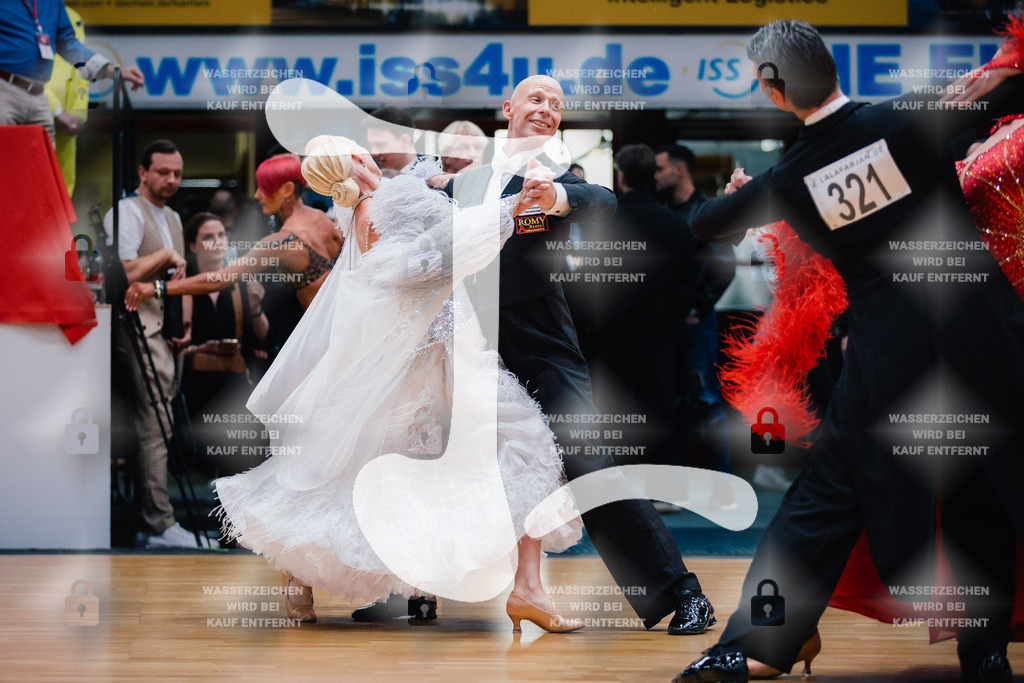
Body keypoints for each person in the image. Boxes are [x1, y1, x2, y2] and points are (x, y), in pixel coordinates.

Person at [674, 19, 1024, 683]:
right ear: (833, 66)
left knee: (828, 496)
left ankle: (751, 643)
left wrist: (742, 201)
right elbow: (1006, 93)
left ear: (774, 91)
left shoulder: (790, 177)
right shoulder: (909, 118)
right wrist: (996, 74)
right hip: (984, 335)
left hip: (889, 356)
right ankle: (985, 656)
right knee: (982, 489)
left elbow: (701, 225)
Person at [213, 135, 585, 632]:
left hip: (444, 352)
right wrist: (506, 213)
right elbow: (422, 265)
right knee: (483, 450)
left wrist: (492, 208)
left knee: (476, 451)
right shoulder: (378, 206)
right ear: (353, 161)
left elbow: (426, 259)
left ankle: (517, 588)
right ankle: (513, 588)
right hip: (427, 357)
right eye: (359, 149)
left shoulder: (375, 203)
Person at [444, 75, 717, 636]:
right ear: (508, 106)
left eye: (558, 105)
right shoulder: (463, 183)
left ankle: (683, 592)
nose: (548, 109)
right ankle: (411, 588)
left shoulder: (554, 178)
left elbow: (601, 202)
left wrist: (559, 197)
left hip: (542, 346)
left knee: (589, 463)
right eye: (537, 99)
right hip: (470, 346)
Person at [104, 139, 199, 548]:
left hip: (165, 327)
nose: (172, 180)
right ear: (143, 172)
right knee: (155, 424)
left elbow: (176, 281)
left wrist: (187, 321)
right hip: (135, 326)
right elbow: (124, 273)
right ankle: (158, 523)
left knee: (163, 421)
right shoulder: (127, 211)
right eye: (163, 172)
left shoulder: (175, 217)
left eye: (177, 173)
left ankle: (155, 521)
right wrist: (163, 254)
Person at [579, 144, 698, 469]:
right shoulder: (674, 224)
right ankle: (661, 486)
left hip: (609, 334)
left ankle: (619, 487)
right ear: (651, 176)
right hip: (660, 332)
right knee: (660, 404)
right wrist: (676, 312)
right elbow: (693, 276)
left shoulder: (602, 223)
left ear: (621, 175)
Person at [124, 153, 342, 312]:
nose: (257, 195)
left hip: (320, 334)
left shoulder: (282, 241)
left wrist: (155, 288)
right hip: (340, 320)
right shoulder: (327, 221)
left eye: (263, 187)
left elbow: (219, 279)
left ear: (286, 189)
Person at [655, 144, 736, 503]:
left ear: (680, 170)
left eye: (660, 169)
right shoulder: (668, 211)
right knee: (678, 403)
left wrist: (698, 309)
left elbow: (723, 265)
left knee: (706, 400)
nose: (656, 176)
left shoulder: (703, 211)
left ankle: (725, 487)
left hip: (694, 322)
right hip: (672, 321)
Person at [178, 212, 269, 477]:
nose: (217, 241)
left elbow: (262, 337)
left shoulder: (239, 284)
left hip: (232, 383)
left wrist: (255, 307)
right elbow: (172, 342)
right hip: (196, 386)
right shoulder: (183, 287)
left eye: (221, 235)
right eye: (208, 237)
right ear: (193, 246)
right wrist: (198, 349)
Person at [0, 0, 143, 142]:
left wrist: (112, 70)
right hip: (5, 89)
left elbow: (68, 44)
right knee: (5, 158)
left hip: (38, 94)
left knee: (42, 160)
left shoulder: (53, 3)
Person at [366, 105, 440, 178]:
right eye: (372, 145)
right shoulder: (372, 176)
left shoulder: (432, 178)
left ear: (405, 141)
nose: (374, 153)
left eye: (380, 145)